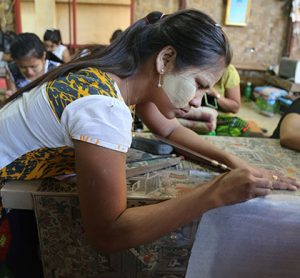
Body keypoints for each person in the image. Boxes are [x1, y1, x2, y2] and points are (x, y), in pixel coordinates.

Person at [0, 9, 298, 260]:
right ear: (165, 59)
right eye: (199, 83)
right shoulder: (103, 107)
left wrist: (233, 162)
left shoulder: (119, 76)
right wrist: (215, 192)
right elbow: (107, 232)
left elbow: (167, 128)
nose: (198, 100)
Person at [5, 32, 60, 97]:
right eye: (23, 67)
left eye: (34, 66)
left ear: (43, 57)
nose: (29, 72)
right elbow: (13, 95)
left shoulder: (56, 69)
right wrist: (10, 98)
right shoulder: (12, 69)